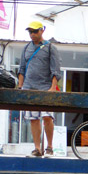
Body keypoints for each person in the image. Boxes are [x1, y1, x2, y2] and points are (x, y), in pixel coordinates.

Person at [17, 21, 61, 157]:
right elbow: (22, 68)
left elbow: (55, 69)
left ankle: (49, 146)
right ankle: (37, 148)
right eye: (30, 32)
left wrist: (53, 87)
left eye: (35, 31)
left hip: (45, 87)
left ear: (42, 30)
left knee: (47, 117)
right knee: (33, 118)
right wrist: (20, 86)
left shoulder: (50, 47)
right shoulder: (26, 48)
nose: (32, 34)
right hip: (29, 87)